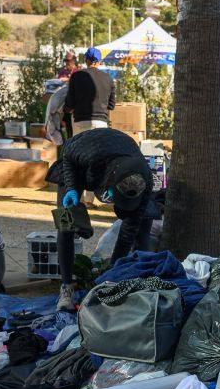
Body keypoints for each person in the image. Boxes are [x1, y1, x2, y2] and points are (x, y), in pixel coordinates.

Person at [52, 127, 155, 312]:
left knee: (143, 222)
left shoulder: (145, 178)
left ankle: (137, 283)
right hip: (78, 164)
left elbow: (128, 231)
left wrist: (112, 274)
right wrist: (71, 188)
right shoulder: (92, 153)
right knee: (66, 222)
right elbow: (67, 153)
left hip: (115, 165)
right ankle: (66, 287)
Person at [64, 47, 115, 135]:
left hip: (81, 122)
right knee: (99, 149)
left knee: (80, 148)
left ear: (86, 60)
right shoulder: (108, 78)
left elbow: (69, 104)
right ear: (99, 61)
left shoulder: (76, 76)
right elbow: (111, 105)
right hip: (101, 124)